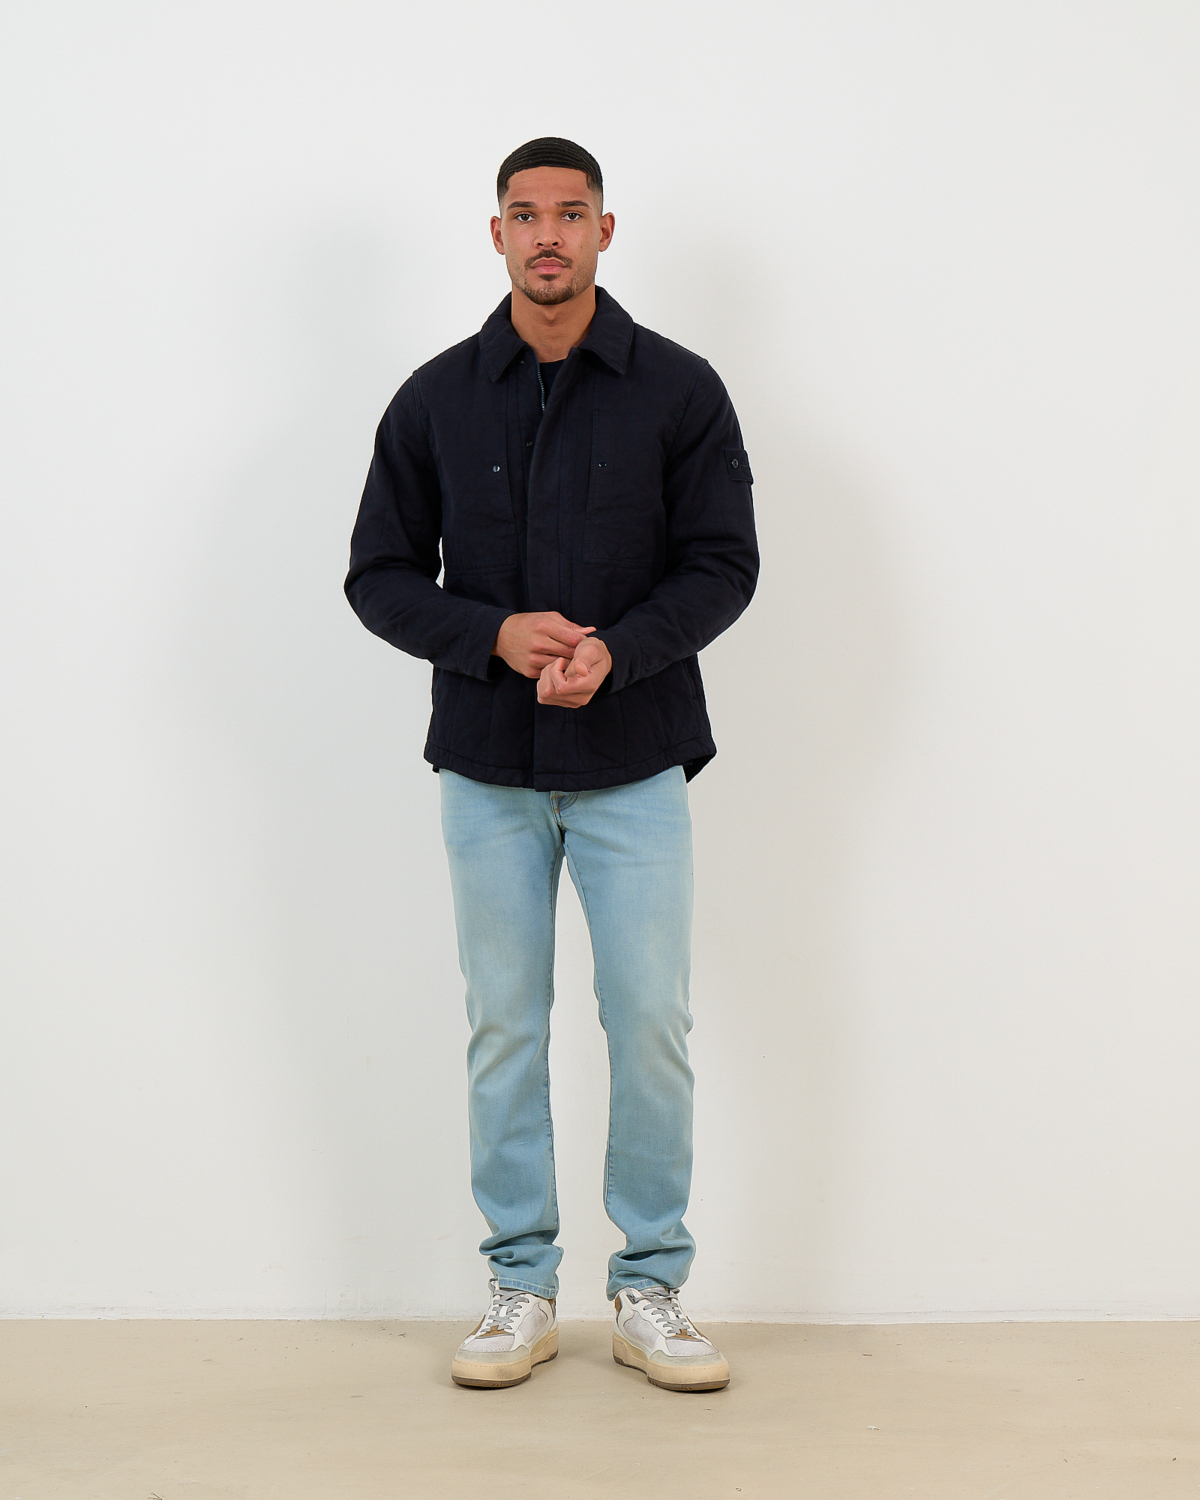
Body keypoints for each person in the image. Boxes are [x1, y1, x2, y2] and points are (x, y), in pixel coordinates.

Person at [345, 137, 758, 1393]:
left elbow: (723, 564)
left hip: (636, 762)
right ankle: (520, 1285)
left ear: (605, 230)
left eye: (570, 214)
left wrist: (619, 653)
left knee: (651, 1024)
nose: (548, 235)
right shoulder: (436, 397)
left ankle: (650, 1286)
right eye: (525, 215)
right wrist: (492, 635)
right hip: (488, 769)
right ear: (497, 234)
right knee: (504, 1031)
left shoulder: (679, 389)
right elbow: (378, 574)